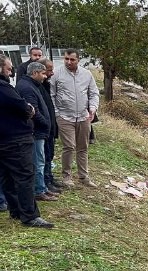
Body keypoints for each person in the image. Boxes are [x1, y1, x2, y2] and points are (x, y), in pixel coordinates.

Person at [0, 54, 53, 228]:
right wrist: (28, 109)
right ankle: (29, 215)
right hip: (15, 140)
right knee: (24, 176)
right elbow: (25, 107)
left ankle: (16, 211)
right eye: (8, 69)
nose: (10, 72)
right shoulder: (4, 88)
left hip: (6, 139)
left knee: (7, 178)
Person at [50, 48, 100, 188]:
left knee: (83, 147)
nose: (69, 62)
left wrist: (93, 108)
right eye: (66, 59)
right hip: (65, 116)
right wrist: (57, 113)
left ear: (78, 60)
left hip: (84, 117)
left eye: (72, 59)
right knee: (69, 146)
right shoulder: (57, 74)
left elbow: (94, 93)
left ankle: (84, 176)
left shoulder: (86, 74)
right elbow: (51, 95)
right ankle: (66, 176)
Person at [15, 61, 56, 202]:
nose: (45, 76)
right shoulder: (27, 87)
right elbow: (33, 110)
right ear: (34, 73)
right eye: (43, 73)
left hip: (39, 131)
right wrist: (45, 123)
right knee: (38, 162)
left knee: (41, 160)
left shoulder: (33, 85)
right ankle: (39, 190)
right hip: (36, 131)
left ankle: (42, 187)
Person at [39, 59, 63, 194]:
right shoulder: (37, 87)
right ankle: (44, 183)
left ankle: (49, 179)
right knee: (44, 157)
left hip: (50, 127)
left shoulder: (46, 85)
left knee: (49, 155)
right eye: (49, 70)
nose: (52, 73)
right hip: (43, 129)